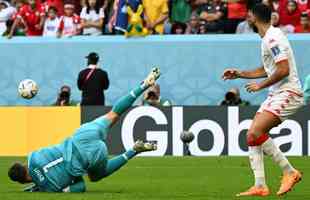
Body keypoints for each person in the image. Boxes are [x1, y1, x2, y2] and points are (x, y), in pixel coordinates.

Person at [8, 68, 161, 192]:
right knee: (114, 113)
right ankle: (144, 85)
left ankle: (134, 150)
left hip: (90, 157)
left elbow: (80, 186)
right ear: (23, 165)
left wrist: (40, 187)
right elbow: (37, 170)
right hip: (81, 136)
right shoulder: (32, 157)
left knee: (95, 177)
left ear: (24, 181)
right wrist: (37, 182)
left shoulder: (50, 187)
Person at [222, 4, 304, 197]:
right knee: (252, 136)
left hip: (288, 92)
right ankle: (260, 185)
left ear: (254, 17)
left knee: (256, 131)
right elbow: (268, 68)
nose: (247, 19)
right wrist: (240, 74)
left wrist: (260, 85)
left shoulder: (273, 38)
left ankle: (290, 172)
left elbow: (283, 69)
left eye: (248, 15)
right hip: (277, 93)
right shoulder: (268, 38)